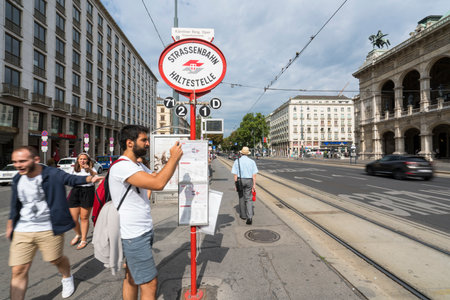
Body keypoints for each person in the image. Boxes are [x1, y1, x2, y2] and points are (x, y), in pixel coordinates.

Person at [6, 146, 101, 299]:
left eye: (22, 161)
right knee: (18, 270)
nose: (18, 165)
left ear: (36, 160)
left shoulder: (52, 173)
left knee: (55, 259)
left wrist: (90, 177)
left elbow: (70, 179)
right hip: (23, 229)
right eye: (15, 162)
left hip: (49, 227)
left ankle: (67, 276)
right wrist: (11, 222)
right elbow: (15, 203)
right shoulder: (18, 178)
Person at [109, 125, 183, 300]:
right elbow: (158, 183)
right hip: (134, 234)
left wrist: (172, 160)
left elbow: (155, 177)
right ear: (129, 143)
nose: (148, 143)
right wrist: (174, 158)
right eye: (144, 140)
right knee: (150, 282)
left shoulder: (136, 166)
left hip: (142, 230)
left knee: (132, 277)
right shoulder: (122, 167)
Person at [67, 153, 98, 250]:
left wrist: (88, 169)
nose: (82, 161)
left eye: (84, 159)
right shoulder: (73, 169)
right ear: (78, 160)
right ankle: (78, 234)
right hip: (75, 191)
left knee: (84, 217)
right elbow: (68, 179)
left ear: (88, 160)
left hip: (87, 192)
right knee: (73, 218)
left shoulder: (91, 169)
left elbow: (96, 177)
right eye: (80, 159)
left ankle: (83, 239)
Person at [231, 146, 259, 225]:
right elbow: (254, 175)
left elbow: (235, 174)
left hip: (240, 180)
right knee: (249, 199)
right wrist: (254, 185)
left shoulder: (237, 161)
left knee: (241, 197)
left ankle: (243, 215)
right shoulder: (252, 162)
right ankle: (249, 217)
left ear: (241, 153)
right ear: (248, 154)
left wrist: (236, 184)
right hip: (249, 180)